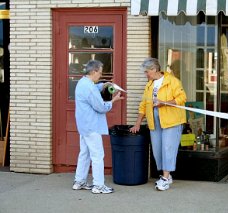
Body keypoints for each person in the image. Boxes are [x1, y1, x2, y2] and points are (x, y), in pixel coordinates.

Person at [130, 57, 187, 191]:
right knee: (157, 149)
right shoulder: (149, 85)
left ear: (154, 69)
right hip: (154, 121)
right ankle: (166, 175)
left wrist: (165, 103)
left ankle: (166, 178)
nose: (145, 75)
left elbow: (182, 98)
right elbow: (143, 104)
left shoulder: (172, 81)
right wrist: (137, 123)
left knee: (168, 148)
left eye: (146, 72)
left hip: (171, 120)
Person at [72, 60, 124, 194]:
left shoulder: (83, 83)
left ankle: (79, 182)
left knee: (84, 153)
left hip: (84, 125)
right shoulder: (89, 87)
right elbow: (101, 107)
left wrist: (104, 85)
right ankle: (99, 186)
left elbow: (94, 89)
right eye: (100, 73)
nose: (100, 75)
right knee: (97, 155)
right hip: (92, 126)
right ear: (94, 71)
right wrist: (113, 101)